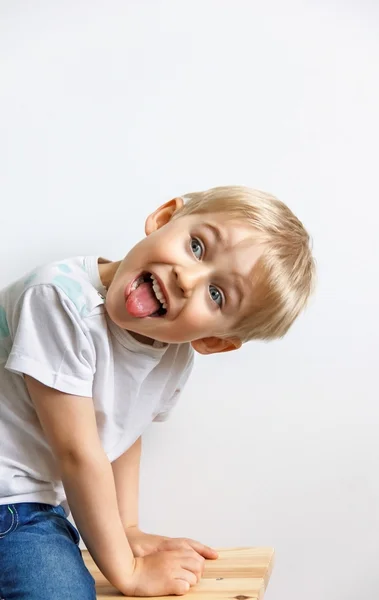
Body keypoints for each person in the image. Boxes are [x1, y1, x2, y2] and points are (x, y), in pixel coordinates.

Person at [0, 186, 315, 598]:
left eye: (216, 294)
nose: (187, 277)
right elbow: (77, 453)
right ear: (165, 218)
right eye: (197, 247)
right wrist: (128, 571)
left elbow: (122, 435)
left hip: (33, 503)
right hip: (12, 501)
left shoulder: (173, 356)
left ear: (215, 341)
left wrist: (128, 528)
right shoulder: (57, 299)